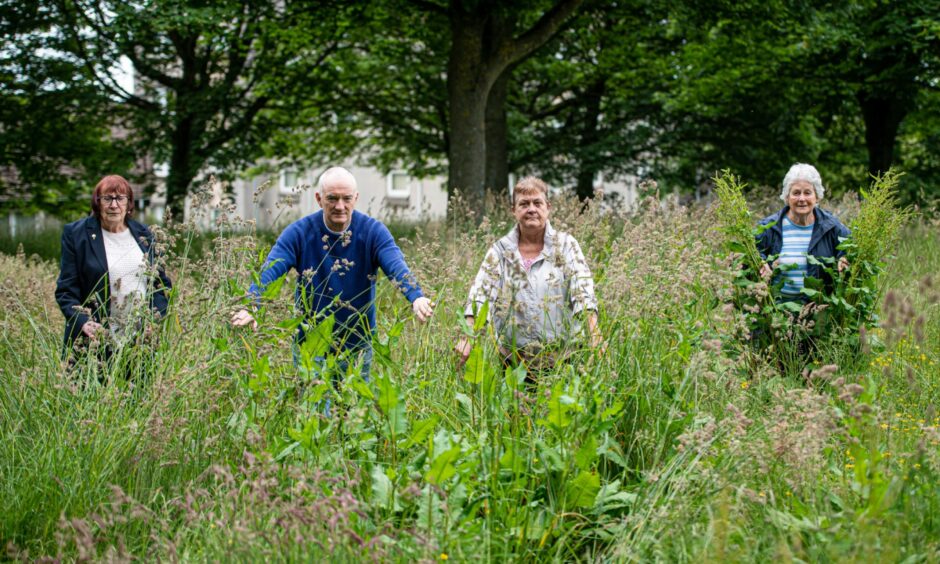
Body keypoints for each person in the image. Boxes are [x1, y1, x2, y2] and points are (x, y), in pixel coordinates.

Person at [231, 166, 434, 378]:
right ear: (319, 199)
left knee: (354, 410)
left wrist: (416, 296)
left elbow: (395, 265)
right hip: (310, 345)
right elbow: (271, 270)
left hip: (357, 344)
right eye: (332, 199)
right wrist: (252, 304)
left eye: (347, 198)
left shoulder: (373, 232)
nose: (340, 206)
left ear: (356, 198)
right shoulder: (299, 233)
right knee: (315, 410)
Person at [455, 176, 602, 372]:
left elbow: (582, 292)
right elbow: (481, 294)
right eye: (524, 204)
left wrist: (594, 333)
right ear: (513, 210)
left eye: (537, 203)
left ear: (548, 207)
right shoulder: (500, 251)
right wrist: (467, 337)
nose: (531, 209)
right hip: (512, 364)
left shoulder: (566, 245)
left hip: (563, 363)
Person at [55, 174, 173, 359]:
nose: (114, 205)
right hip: (94, 340)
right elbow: (66, 290)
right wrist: (83, 322)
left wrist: (154, 320)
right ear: (97, 203)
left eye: (120, 198)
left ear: (129, 203)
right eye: (107, 198)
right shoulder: (77, 235)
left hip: (140, 342)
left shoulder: (147, 235)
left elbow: (160, 286)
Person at [757, 163, 851, 301]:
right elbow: (751, 250)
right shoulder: (769, 227)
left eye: (807, 192)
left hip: (818, 313)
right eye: (796, 193)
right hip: (776, 313)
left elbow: (851, 245)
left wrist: (844, 257)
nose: (802, 199)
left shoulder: (831, 226)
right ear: (787, 197)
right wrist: (761, 261)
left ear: (817, 197)